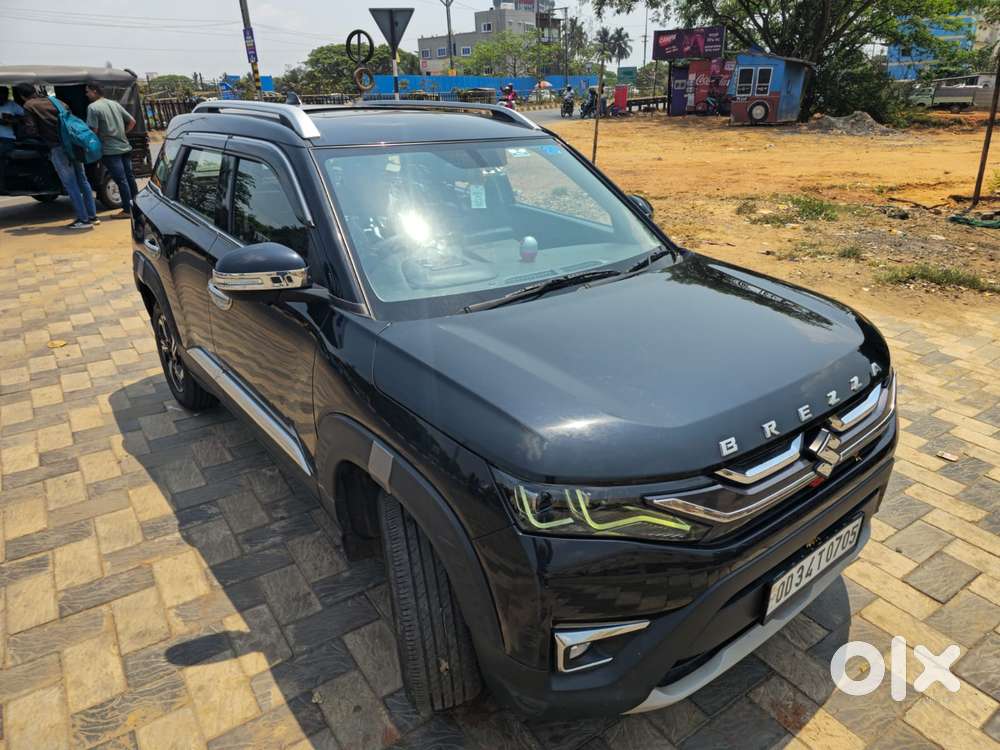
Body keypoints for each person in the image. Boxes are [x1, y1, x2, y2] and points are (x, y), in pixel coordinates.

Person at [14, 83, 97, 229]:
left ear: (21, 96)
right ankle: (92, 216)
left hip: (57, 148)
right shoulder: (56, 101)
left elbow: (31, 130)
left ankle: (83, 220)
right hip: (74, 145)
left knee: (71, 184)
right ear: (35, 90)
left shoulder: (29, 105)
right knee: (83, 181)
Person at [85, 83, 137, 218]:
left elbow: (94, 131)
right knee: (129, 177)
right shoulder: (114, 104)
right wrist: (123, 133)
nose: (86, 94)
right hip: (125, 146)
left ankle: (127, 210)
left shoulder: (93, 107)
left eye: (88, 92)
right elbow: (132, 121)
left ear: (95, 91)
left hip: (110, 150)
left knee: (121, 180)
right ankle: (137, 206)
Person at [0, 86, 24, 185]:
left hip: (7, 138)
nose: (3, 99)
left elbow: (25, 116)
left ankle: (2, 184)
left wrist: (13, 120)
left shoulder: (11, 105)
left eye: (5, 96)